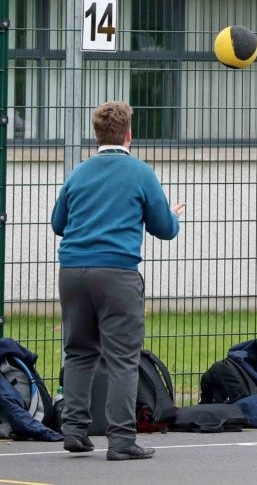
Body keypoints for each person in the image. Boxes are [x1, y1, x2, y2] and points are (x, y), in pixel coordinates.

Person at [51, 101, 183, 461]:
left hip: (72, 272)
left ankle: (74, 429)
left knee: (79, 352)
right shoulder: (140, 173)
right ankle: (122, 439)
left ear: (97, 134)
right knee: (123, 358)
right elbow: (164, 228)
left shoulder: (79, 173)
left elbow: (58, 223)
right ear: (129, 134)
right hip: (117, 272)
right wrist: (173, 216)